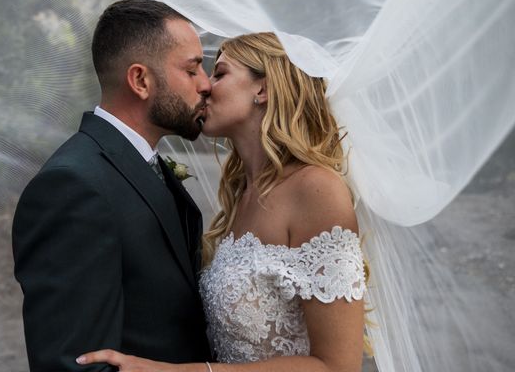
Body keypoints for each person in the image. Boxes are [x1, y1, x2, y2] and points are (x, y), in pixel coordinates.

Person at [76, 32, 367, 372]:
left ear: (263, 89)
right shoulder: (241, 196)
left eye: (220, 73)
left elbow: (339, 367)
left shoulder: (316, 189)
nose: (204, 86)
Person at [12, 0, 213, 371]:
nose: (206, 85)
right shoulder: (71, 185)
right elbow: (74, 363)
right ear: (140, 80)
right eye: (193, 70)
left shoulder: (145, 164)